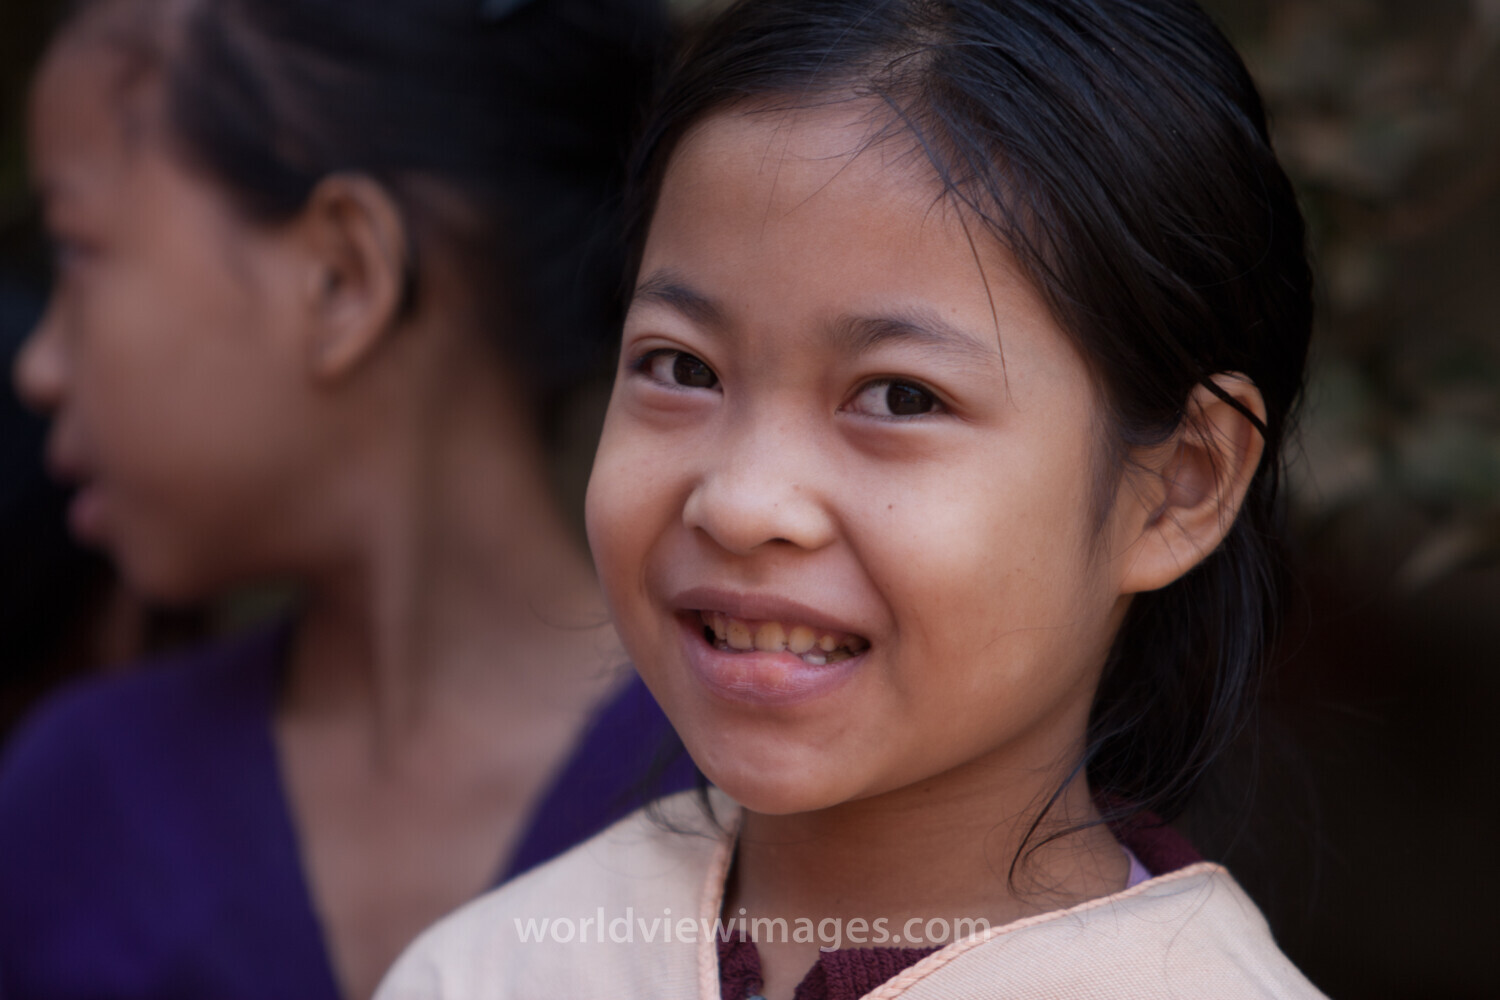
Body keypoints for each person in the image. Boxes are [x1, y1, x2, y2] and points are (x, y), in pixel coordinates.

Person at [375, 0, 1331, 996]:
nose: (743, 504)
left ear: (1178, 487)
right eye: (683, 367)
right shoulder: (489, 970)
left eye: (900, 397)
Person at [0, 1, 692, 998]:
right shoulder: (72, 804)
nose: (37, 368)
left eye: (75, 251)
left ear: (343, 276)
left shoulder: (759, 790)